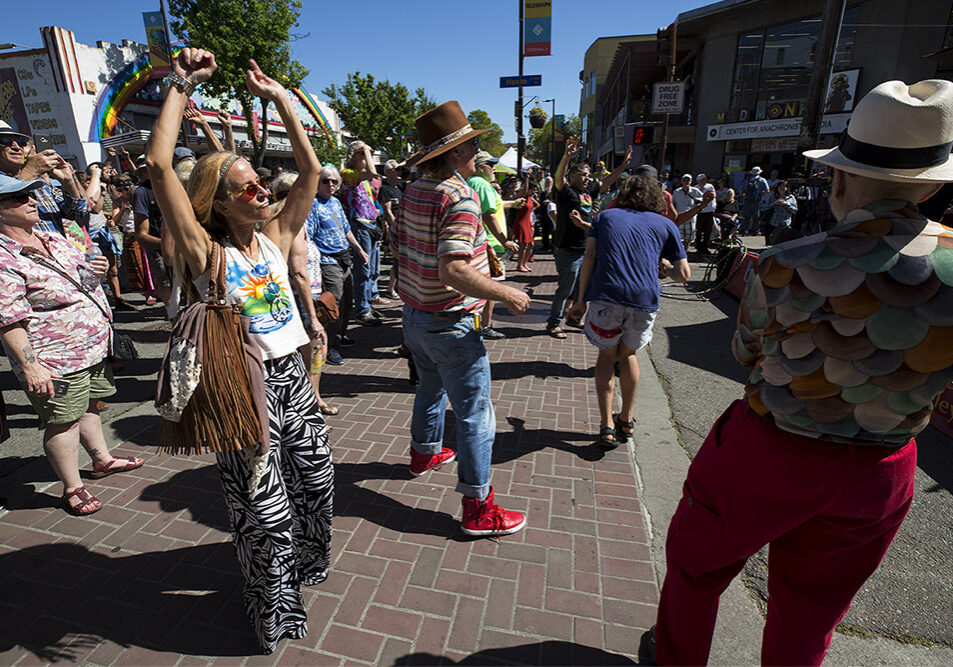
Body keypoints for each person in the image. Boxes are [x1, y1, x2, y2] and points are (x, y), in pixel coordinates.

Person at [653, 78, 953, 666]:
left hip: (769, 453)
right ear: (935, 181)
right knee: (810, 611)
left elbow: (747, 355)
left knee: (696, 568)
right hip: (881, 467)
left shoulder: (785, 265)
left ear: (838, 179)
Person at [146, 48, 333, 654]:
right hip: (240, 388)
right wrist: (181, 84)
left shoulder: (275, 237)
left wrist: (282, 100)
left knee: (318, 482)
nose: (259, 190)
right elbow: (158, 165)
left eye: (258, 181)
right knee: (263, 508)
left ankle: (305, 566)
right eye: (244, 186)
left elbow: (308, 174)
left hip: (294, 382)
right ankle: (273, 612)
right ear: (221, 203)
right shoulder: (207, 254)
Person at [393, 100, 530, 537]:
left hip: (415, 315)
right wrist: (504, 291)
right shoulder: (461, 197)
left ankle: (424, 453)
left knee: (430, 387)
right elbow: (452, 268)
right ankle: (478, 506)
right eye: (473, 145)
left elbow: (398, 245)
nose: (478, 153)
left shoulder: (413, 190)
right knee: (475, 413)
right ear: (453, 153)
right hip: (449, 321)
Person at [0, 174, 143, 516]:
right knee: (63, 420)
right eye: (19, 199)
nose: (32, 201)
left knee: (91, 404)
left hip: (92, 346)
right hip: (55, 358)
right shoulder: (4, 258)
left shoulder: (52, 237)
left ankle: (102, 460)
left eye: (30, 195)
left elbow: (84, 279)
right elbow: (8, 318)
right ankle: (72, 487)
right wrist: (31, 364)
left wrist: (100, 268)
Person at [567, 175, 689, 447]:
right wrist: (663, 267)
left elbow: (589, 256)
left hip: (607, 295)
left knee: (607, 356)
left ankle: (606, 425)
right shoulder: (666, 224)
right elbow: (683, 274)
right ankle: (627, 419)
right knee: (629, 354)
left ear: (623, 194)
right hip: (643, 298)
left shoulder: (605, 218)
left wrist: (580, 300)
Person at [546, 136, 630, 339]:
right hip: (567, 249)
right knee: (565, 289)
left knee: (580, 290)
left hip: (585, 249)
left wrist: (622, 166)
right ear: (573, 175)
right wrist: (566, 157)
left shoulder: (589, 191)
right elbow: (558, 179)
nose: (587, 178)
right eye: (583, 175)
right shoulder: (566, 192)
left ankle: (573, 317)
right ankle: (553, 324)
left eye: (588, 175)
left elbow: (607, 181)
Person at [272, 172, 335, 416]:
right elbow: (299, 273)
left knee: (309, 351)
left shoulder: (281, 222)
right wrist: (313, 316)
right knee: (316, 349)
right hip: (300, 299)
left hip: (299, 297)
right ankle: (311, 402)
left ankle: (312, 399)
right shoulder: (292, 226)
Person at [306, 165, 368, 365]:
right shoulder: (313, 204)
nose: (331, 184)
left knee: (348, 300)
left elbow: (346, 229)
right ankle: (331, 345)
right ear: (318, 182)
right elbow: (310, 236)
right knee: (334, 301)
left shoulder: (336, 203)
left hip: (345, 258)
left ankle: (341, 336)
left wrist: (359, 249)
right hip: (328, 260)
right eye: (326, 181)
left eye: (334, 181)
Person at [467, 151, 520, 340]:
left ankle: (478, 324)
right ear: (481, 167)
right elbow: (489, 214)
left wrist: (511, 203)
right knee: (490, 287)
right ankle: (485, 326)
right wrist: (504, 240)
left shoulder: (475, 183)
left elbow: (492, 206)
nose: (494, 168)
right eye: (491, 164)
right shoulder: (481, 184)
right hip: (490, 244)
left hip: (483, 242)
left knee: (479, 286)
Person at [342, 141, 383, 326]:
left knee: (372, 269)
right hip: (360, 226)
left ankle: (366, 304)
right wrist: (366, 149)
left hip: (371, 227)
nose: (366, 157)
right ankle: (362, 308)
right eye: (361, 153)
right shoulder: (348, 174)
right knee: (363, 269)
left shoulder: (363, 180)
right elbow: (373, 172)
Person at [671, 174, 702, 252]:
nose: (686, 182)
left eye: (688, 180)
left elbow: (701, 202)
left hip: (691, 219)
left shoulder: (695, 191)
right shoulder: (677, 192)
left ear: (691, 181)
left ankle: (685, 253)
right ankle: (679, 253)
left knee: (687, 239)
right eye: (684, 180)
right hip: (680, 218)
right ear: (681, 181)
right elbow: (673, 203)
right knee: (679, 238)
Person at [739, 166, 769, 235]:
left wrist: (743, 196)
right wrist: (761, 194)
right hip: (757, 201)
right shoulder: (762, 180)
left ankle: (744, 231)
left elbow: (740, 190)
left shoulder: (747, 180)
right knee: (756, 217)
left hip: (747, 200)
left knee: (746, 216)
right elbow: (767, 190)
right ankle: (756, 231)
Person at [693, 173, 716, 254]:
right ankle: (698, 246)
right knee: (699, 230)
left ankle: (705, 246)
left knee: (708, 230)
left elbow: (713, 197)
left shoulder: (710, 186)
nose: (703, 182)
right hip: (700, 212)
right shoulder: (696, 188)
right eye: (701, 180)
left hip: (709, 212)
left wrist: (714, 207)